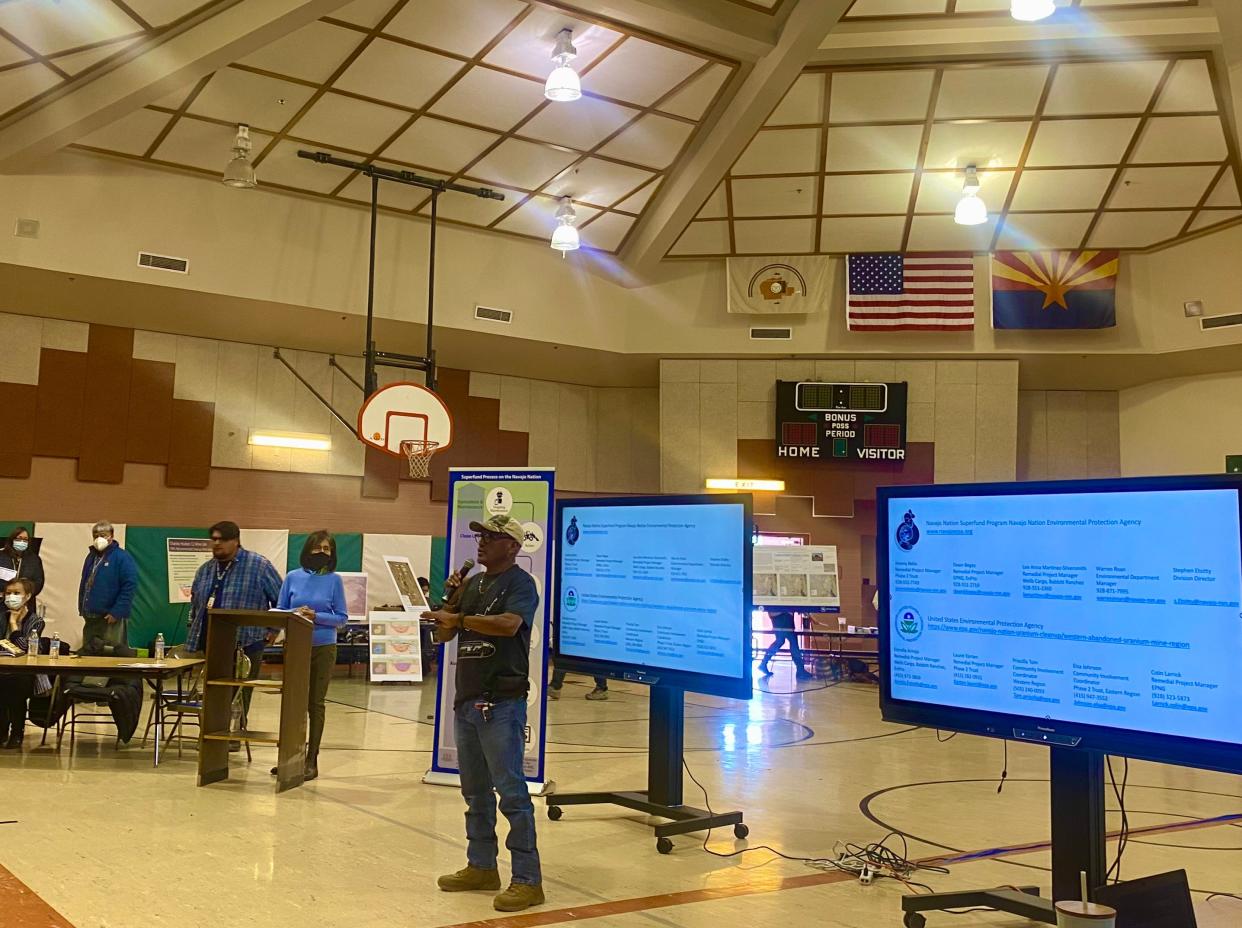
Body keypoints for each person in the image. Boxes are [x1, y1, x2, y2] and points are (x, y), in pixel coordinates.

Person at [424, 514, 544, 913]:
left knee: (511, 793)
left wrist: (458, 618)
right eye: (480, 536)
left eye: (491, 537)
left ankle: (528, 880)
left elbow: (510, 626)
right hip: (467, 700)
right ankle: (481, 866)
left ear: (512, 546)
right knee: (474, 792)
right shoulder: (472, 583)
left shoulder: (520, 584)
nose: (481, 542)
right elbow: (444, 635)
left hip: (501, 702)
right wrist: (450, 603)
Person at [186, 522, 282, 745]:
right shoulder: (206, 569)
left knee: (239, 693)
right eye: (214, 539)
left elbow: (282, 599)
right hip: (211, 641)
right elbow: (195, 604)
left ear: (236, 541)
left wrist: (273, 629)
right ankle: (213, 734)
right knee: (214, 692)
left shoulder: (258, 566)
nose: (216, 543)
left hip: (246, 643)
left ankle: (234, 735)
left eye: (222, 539)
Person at [273, 531, 347, 781]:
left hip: (324, 647)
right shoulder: (292, 578)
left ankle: (311, 759)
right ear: (307, 550)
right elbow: (280, 611)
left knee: (315, 703)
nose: (322, 553)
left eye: (327, 549)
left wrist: (318, 617)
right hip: (295, 646)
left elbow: (342, 618)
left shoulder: (335, 581)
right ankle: (288, 756)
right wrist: (297, 612)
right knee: (293, 702)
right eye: (318, 548)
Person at [0, 578, 48, 749]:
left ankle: (17, 733)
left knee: (15, 687)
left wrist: (14, 625)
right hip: (2, 668)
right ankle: (2, 730)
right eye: (8, 593)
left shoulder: (35, 621)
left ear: (27, 596)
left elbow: (26, 647)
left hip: (23, 672)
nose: (11, 597)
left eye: (16, 593)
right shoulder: (0, 616)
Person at [79, 520, 138, 648]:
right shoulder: (91, 557)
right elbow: (85, 583)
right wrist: (82, 608)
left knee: (110, 654)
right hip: (90, 618)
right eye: (95, 536)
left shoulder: (122, 557)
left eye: (103, 535)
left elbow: (129, 585)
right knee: (89, 654)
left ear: (111, 536)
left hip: (109, 618)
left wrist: (117, 611)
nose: (99, 538)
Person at [0, 526, 44, 614]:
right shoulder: (1, 556)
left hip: (26, 604)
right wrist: (7, 594)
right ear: (12, 539)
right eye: (19, 539)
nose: (22, 542)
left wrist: (24, 595)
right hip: (2, 601)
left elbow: (39, 582)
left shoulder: (34, 559)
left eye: (25, 540)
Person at [759, 609, 812, 679]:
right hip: (783, 618)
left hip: (780, 617)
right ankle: (800, 670)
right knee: (792, 642)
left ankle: (763, 663)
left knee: (781, 641)